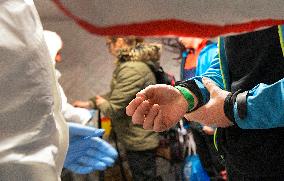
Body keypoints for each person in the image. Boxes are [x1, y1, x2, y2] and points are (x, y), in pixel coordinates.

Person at [126, 26, 284, 180]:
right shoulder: (234, 17)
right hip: (242, 160)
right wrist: (186, 95)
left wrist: (232, 109)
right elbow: (225, 68)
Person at [73, 37, 160, 180]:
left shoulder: (132, 69)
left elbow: (114, 109)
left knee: (144, 177)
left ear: (120, 41)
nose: (108, 48)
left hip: (138, 137)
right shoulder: (132, 65)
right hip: (136, 134)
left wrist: (101, 103)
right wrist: (90, 103)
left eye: (109, 44)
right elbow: (117, 94)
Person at [43, 30, 118, 175]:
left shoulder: (42, 79)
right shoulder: (42, 82)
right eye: (57, 53)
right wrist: (85, 114)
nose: (59, 58)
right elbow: (60, 111)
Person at [178, 37, 226, 180]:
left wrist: (212, 124)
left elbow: (215, 85)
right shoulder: (186, 57)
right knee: (207, 164)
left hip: (211, 119)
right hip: (194, 119)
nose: (179, 38)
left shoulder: (211, 51)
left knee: (220, 165)